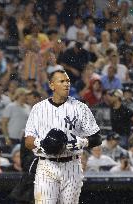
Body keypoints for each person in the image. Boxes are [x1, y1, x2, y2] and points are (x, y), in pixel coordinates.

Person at [25, 69, 102, 204]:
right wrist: (41, 143)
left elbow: (97, 138)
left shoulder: (80, 108)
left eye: (68, 81)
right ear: (52, 85)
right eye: (62, 81)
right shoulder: (38, 108)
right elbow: (28, 141)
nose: (67, 84)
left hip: (72, 166)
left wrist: (83, 142)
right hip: (46, 165)